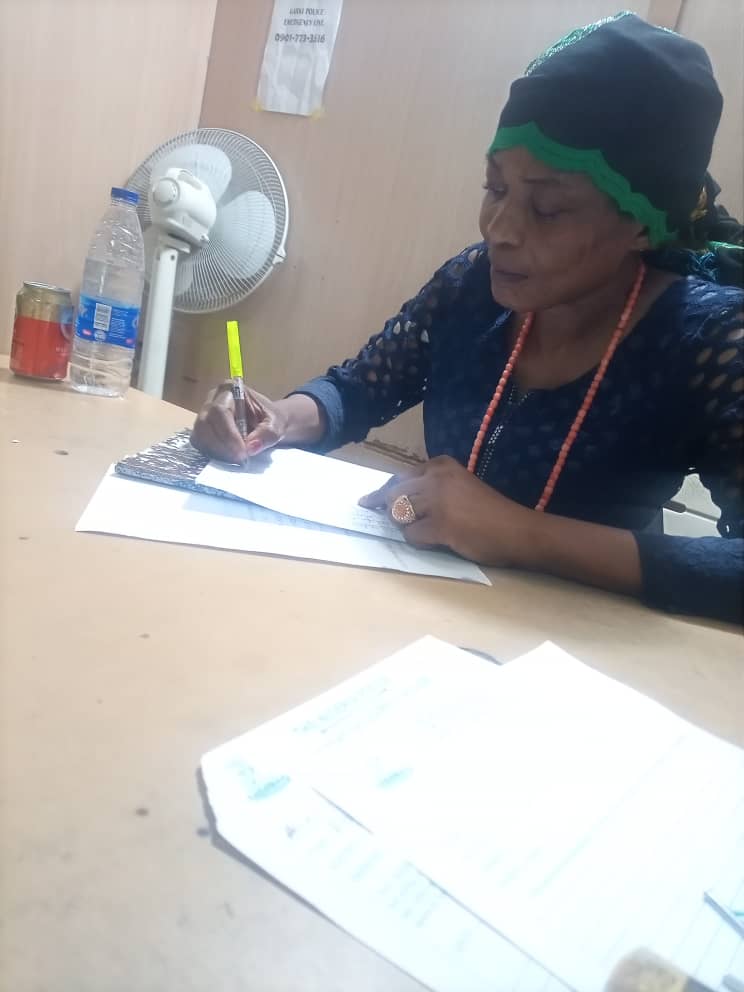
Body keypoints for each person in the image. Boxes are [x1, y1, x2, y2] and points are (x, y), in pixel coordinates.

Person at [192, 13, 744, 625]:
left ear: (642, 223)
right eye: (495, 188)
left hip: (577, 647)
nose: (499, 230)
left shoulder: (710, 339)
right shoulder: (472, 285)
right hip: (427, 611)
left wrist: (522, 533)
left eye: (548, 209)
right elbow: (358, 387)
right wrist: (276, 418)